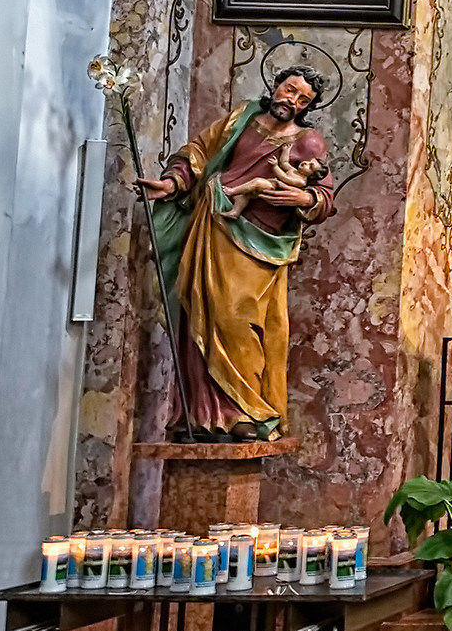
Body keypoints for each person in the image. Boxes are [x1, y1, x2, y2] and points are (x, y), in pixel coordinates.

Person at [137, 66, 338, 441]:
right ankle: (202, 415)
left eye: (302, 99)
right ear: (276, 85)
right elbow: (198, 151)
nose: (291, 101)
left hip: (260, 242)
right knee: (201, 311)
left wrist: (304, 197)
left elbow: (324, 196)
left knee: (237, 320)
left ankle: (246, 410)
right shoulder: (241, 118)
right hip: (213, 222)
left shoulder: (308, 142)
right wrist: (173, 181)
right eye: (289, 90)